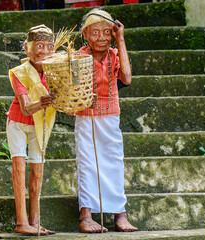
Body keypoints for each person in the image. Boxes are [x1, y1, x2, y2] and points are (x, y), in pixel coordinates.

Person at [73, 8, 138, 233]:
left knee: (114, 162)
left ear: (112, 34)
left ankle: (120, 214)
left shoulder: (115, 54)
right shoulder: (79, 56)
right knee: (87, 163)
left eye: (106, 32)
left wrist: (120, 40)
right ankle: (86, 216)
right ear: (85, 35)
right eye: (94, 33)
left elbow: (127, 78)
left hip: (110, 114)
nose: (100, 38)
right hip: (86, 116)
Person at [5, 24, 56, 236]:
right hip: (18, 122)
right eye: (38, 46)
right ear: (27, 49)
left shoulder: (55, 72)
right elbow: (25, 108)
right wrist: (42, 103)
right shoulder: (20, 72)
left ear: (53, 50)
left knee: (37, 171)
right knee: (19, 169)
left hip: (40, 124)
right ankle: (21, 221)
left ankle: (35, 221)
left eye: (47, 46)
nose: (42, 51)